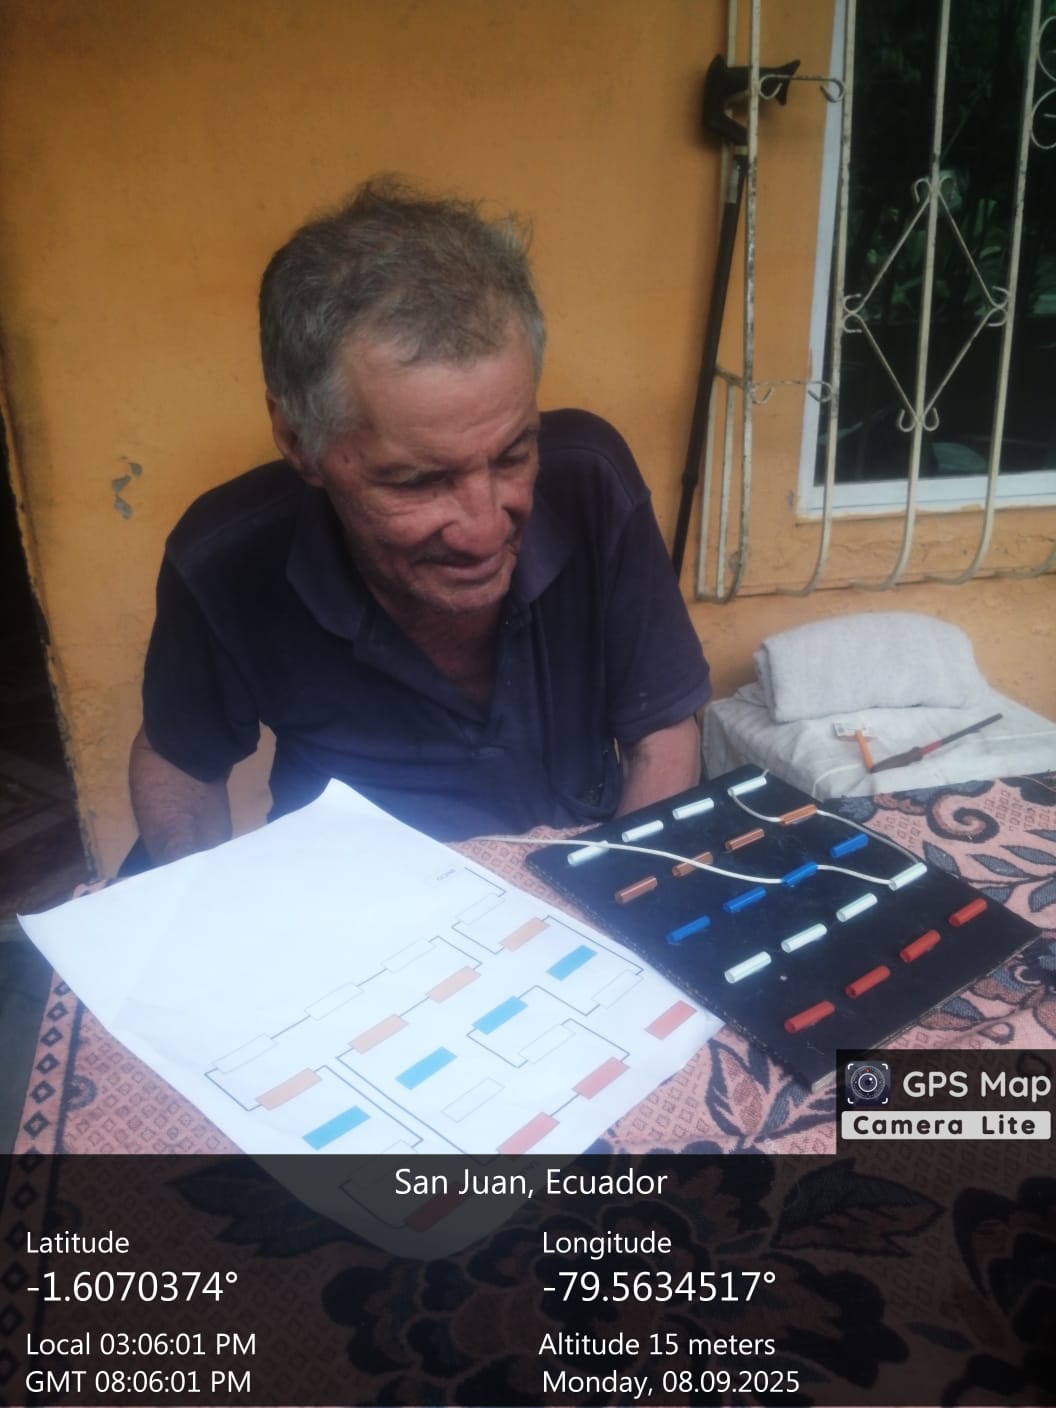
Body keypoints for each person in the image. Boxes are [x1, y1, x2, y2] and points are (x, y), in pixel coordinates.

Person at [128, 177, 711, 866]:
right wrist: (193, 895)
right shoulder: (225, 558)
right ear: (298, 440)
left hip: (582, 872)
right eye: (419, 481)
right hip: (350, 892)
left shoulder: (590, 483)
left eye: (513, 455)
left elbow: (662, 735)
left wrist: (620, 897)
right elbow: (180, 760)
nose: (485, 531)